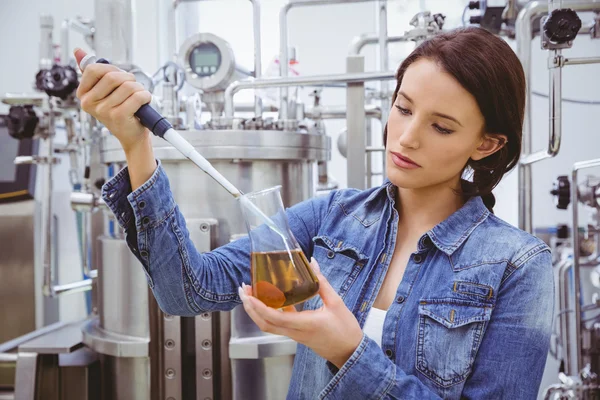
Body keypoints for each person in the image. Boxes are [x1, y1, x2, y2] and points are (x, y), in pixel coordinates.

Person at [74, 26, 554, 399]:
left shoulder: (515, 266)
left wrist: (348, 351)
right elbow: (189, 291)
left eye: (442, 127)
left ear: (486, 143)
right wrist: (136, 146)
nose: (406, 137)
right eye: (403, 108)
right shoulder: (333, 220)